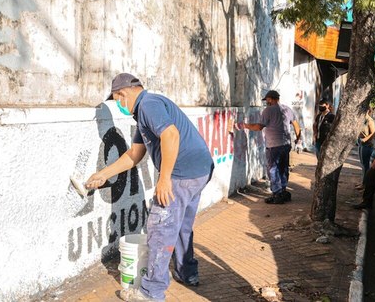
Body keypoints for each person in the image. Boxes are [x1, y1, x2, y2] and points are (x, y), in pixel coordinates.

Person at [85, 73, 214, 302]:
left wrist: (164, 179)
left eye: (117, 101)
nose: (119, 106)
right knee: (181, 224)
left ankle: (151, 293)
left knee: (160, 228)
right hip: (200, 170)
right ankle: (187, 273)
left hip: (182, 174)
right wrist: (102, 175)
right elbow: (134, 154)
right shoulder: (145, 112)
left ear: (121, 94)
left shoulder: (148, 105)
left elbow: (170, 135)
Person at [243, 90, 301, 204]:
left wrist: (244, 125)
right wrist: (299, 141)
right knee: (283, 168)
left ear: (271, 99)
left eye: (267, 100)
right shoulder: (287, 109)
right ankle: (283, 191)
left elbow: (259, 127)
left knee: (273, 170)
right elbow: (296, 125)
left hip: (274, 146)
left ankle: (277, 194)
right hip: (286, 145)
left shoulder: (268, 111)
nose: (267, 102)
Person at [355, 105, 375, 189]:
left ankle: (365, 184)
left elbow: (373, 133)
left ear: (367, 110)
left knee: (365, 165)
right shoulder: (362, 119)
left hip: (367, 145)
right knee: (363, 165)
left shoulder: (369, 120)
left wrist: (365, 140)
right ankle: (363, 182)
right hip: (361, 144)